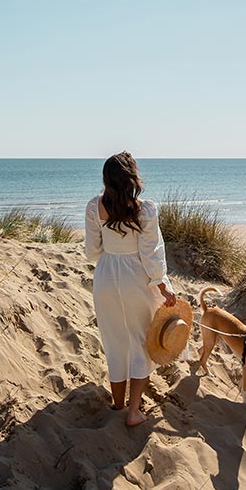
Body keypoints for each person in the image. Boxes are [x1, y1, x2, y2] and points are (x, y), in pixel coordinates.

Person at [84, 152, 175, 426]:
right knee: (139, 343)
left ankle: (119, 404)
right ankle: (133, 412)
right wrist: (163, 286)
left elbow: (92, 251)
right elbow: (151, 255)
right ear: (131, 177)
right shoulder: (145, 209)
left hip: (106, 276)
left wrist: (112, 253)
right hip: (136, 277)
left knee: (114, 342)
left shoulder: (94, 206)